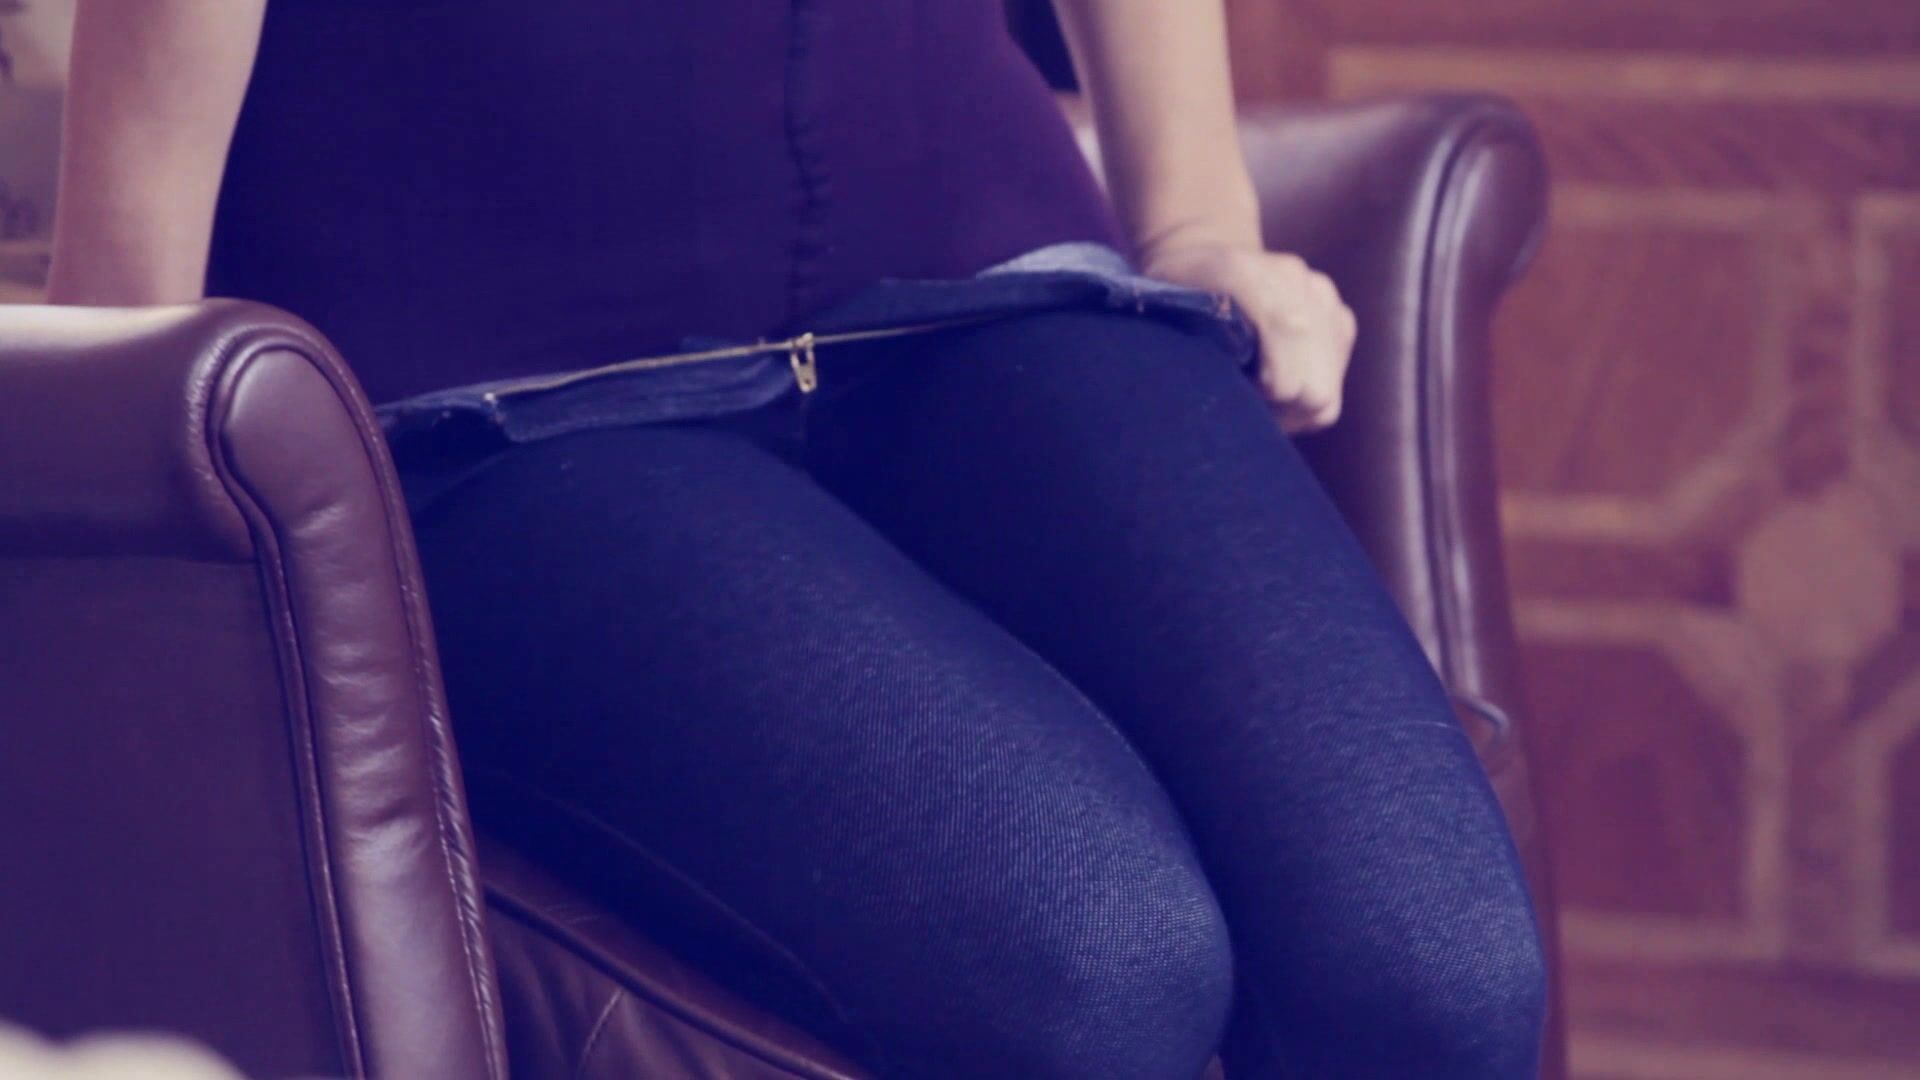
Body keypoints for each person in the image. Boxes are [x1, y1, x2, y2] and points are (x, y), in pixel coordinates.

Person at [48, 2, 1548, 1076]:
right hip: (496, 386)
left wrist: (1196, 224)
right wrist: (133, 440)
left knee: (1436, 964)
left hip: (984, 260)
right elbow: (125, 302)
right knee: (1096, 963)